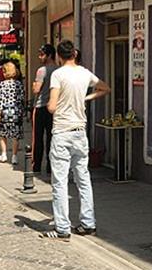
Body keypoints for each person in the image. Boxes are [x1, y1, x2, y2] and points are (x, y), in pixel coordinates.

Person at [41, 40, 110, 241]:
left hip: (62, 132)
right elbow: (105, 88)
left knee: (60, 182)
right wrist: (85, 98)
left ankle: (62, 228)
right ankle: (88, 223)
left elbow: (52, 106)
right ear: (75, 54)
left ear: (59, 56)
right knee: (83, 179)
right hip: (80, 132)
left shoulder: (58, 74)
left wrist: (57, 102)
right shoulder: (85, 73)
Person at [32, 44, 58, 174]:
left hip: (41, 106)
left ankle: (36, 166)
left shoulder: (42, 70)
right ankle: (50, 166)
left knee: (38, 138)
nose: (39, 57)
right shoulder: (59, 70)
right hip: (54, 108)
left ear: (49, 55)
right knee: (51, 138)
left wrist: (34, 85)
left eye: (42, 54)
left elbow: (36, 89)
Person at [0, 62, 25, 165]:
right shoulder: (19, 84)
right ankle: (14, 156)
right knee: (15, 136)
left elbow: (1, 100)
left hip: (5, 111)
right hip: (16, 111)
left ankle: (4, 154)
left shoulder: (2, 84)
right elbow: (21, 99)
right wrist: (21, 111)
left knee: (3, 134)